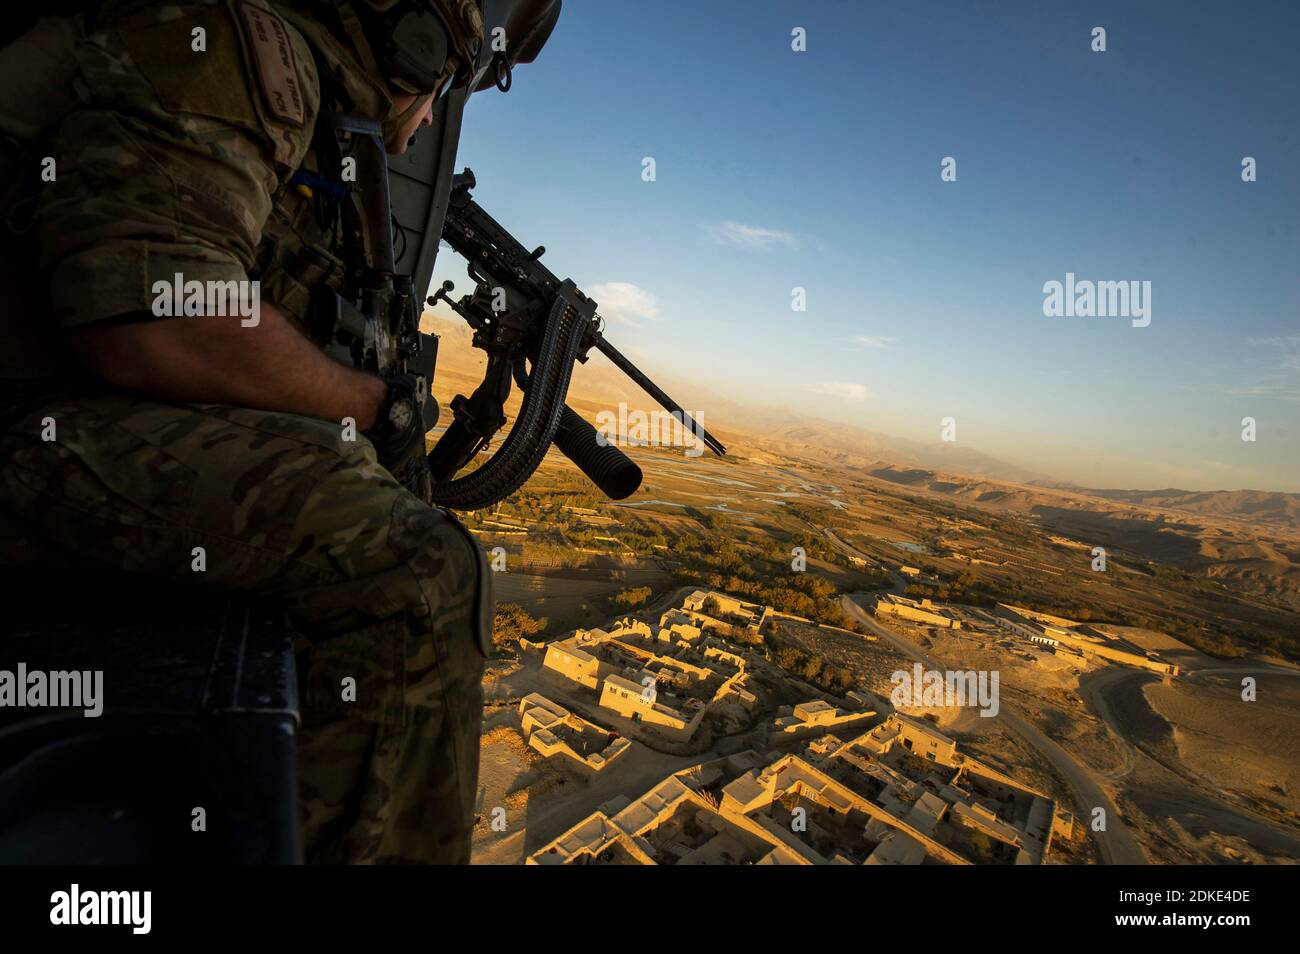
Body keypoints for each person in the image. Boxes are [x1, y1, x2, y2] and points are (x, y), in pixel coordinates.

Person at [0, 0, 505, 864]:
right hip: (28, 419)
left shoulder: (318, 123)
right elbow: (155, 311)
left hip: (70, 410)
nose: (424, 125)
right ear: (415, 48)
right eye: (441, 87)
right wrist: (374, 404)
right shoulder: (252, 49)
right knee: (418, 573)